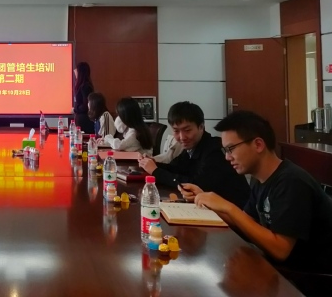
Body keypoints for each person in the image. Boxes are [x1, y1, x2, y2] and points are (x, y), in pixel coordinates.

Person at [180, 111, 332, 274]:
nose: (227, 157)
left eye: (230, 149)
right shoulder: (261, 179)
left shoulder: (291, 181)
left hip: (310, 277)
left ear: (258, 145)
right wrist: (205, 200)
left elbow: (281, 250)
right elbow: (245, 221)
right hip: (282, 269)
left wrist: (227, 207)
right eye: (225, 151)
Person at [137, 101, 249, 209]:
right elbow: (176, 168)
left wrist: (156, 171)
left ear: (201, 127)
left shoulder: (215, 150)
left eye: (187, 130)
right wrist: (152, 164)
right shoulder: (192, 147)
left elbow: (195, 185)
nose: (182, 137)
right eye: (176, 131)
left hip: (236, 214)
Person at [73, 62, 95, 134]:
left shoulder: (85, 86)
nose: (74, 71)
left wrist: (75, 109)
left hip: (85, 120)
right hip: (81, 119)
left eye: (76, 70)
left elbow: (86, 105)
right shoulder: (82, 85)